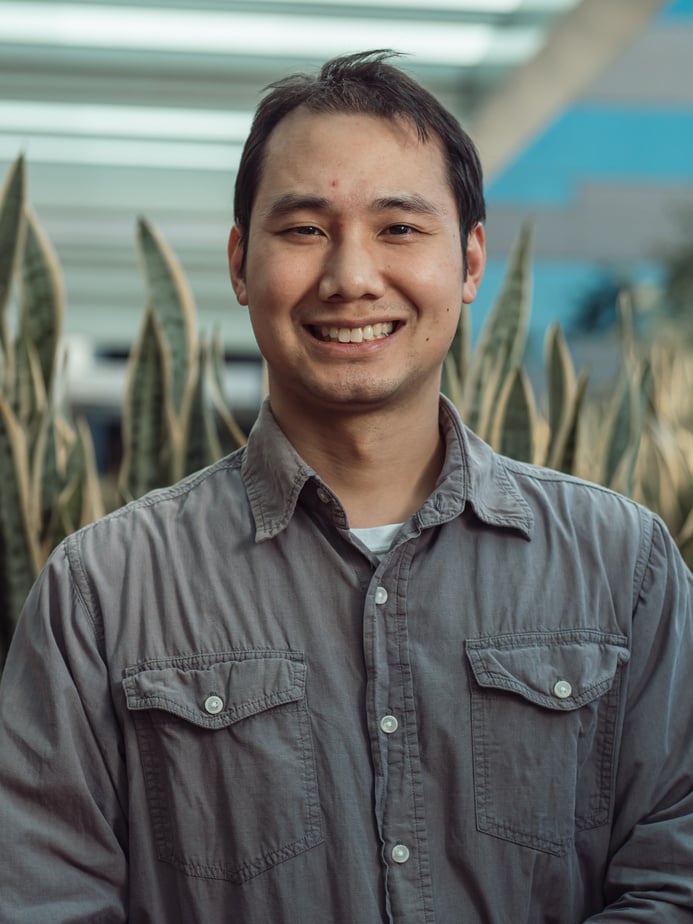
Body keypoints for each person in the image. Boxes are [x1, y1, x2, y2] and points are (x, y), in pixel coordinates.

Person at [0, 50, 692, 924]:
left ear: (471, 261)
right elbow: (43, 900)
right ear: (240, 263)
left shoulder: (621, 567)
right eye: (304, 229)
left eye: (399, 228)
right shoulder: (103, 590)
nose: (351, 277)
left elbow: (676, 876)